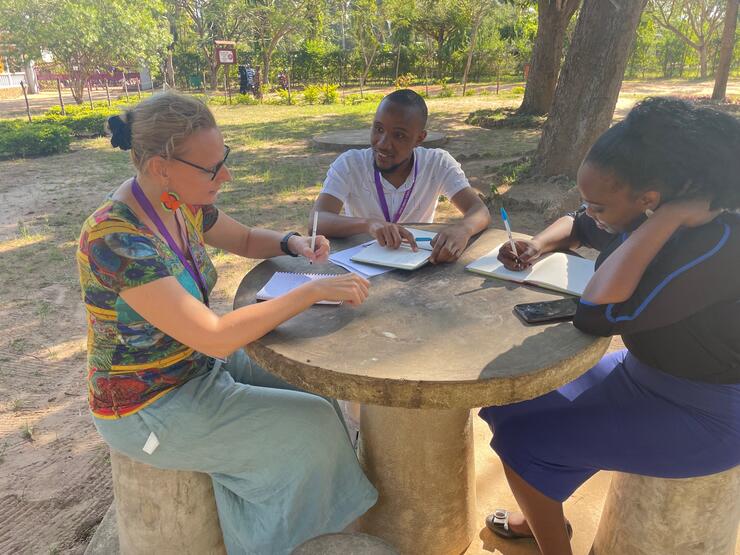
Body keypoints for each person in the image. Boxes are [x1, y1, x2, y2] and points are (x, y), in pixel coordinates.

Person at [76, 92, 377, 554]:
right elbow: (214, 337)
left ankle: (276, 527)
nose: (226, 175)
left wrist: (292, 242)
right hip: (146, 406)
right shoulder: (116, 239)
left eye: (225, 159)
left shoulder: (178, 201)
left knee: (313, 382)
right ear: (161, 166)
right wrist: (311, 291)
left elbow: (245, 238)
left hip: (192, 367)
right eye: (213, 167)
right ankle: (283, 542)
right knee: (312, 427)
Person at [480, 97, 740, 555]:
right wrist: (538, 244)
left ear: (650, 201)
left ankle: (552, 545)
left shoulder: (714, 246)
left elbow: (596, 314)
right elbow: (578, 226)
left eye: (598, 204)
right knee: (508, 400)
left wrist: (670, 219)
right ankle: (544, 514)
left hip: (710, 411)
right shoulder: (638, 215)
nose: (590, 212)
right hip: (641, 374)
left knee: (525, 442)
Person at [311, 89, 491, 264]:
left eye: (399, 135)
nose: (382, 144)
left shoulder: (437, 163)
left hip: (416, 264)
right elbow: (316, 221)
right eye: (378, 129)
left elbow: (479, 210)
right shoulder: (350, 164)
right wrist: (369, 224)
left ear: (419, 138)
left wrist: (463, 229)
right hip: (364, 266)